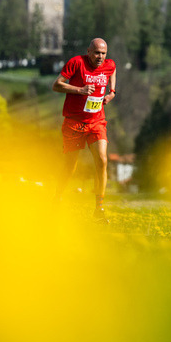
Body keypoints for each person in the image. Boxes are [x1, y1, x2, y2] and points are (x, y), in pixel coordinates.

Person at [52, 37, 117, 221]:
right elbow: (56, 85)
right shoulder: (76, 63)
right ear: (88, 51)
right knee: (70, 166)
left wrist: (112, 92)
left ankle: (99, 209)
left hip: (96, 122)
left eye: (103, 53)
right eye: (96, 53)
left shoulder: (109, 64)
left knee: (102, 160)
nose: (100, 57)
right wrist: (79, 90)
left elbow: (113, 70)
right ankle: (57, 198)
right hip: (74, 123)